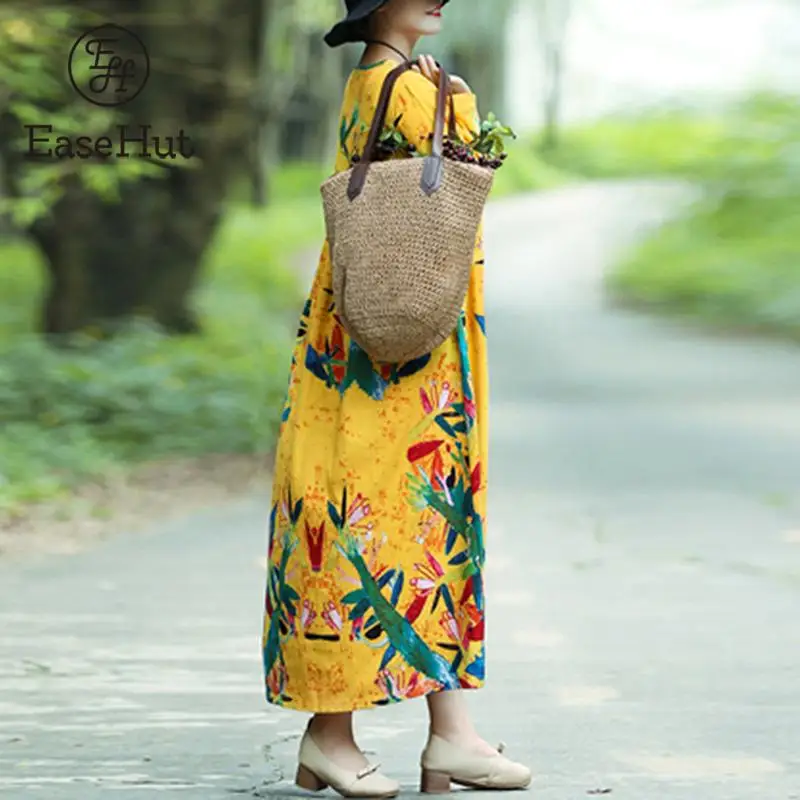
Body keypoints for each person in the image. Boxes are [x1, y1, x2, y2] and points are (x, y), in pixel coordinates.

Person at [261, 0, 531, 795]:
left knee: (406, 523)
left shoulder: (374, 84)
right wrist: (457, 100)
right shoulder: (413, 90)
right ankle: (335, 734)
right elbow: (468, 165)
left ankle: (447, 732)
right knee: (384, 521)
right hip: (405, 347)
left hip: (367, 332)